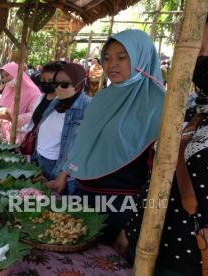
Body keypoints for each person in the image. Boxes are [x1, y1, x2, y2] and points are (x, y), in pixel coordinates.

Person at [47, 29, 165, 244]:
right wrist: (62, 176)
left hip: (124, 205)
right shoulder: (102, 98)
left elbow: (161, 172)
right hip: (84, 195)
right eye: (107, 58)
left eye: (122, 57)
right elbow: (84, 140)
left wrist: (133, 226)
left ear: (142, 56)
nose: (112, 64)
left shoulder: (161, 105)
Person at [121, 13, 208, 276]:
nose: (201, 59)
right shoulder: (188, 109)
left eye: (205, 51)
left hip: (195, 259)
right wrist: (132, 230)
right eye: (199, 52)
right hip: (153, 249)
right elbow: (157, 180)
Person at [32, 62, 90, 195]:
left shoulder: (88, 107)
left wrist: (63, 176)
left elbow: (82, 148)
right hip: (42, 162)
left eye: (64, 84)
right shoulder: (56, 102)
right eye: (55, 84)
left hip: (62, 170)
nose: (58, 88)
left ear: (79, 83)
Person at [0, 62, 41, 143]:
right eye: (3, 77)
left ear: (17, 73)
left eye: (7, 75)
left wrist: (14, 118)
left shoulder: (33, 92)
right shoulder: (8, 89)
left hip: (22, 139)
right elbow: (2, 108)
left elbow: (34, 115)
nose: (5, 79)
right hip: (7, 136)